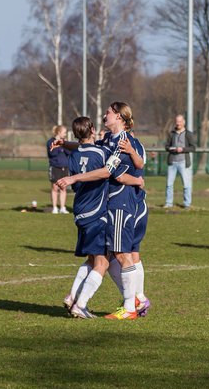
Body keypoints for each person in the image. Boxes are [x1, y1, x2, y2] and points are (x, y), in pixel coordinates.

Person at [55, 102, 150, 320]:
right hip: (112, 204)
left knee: (120, 254)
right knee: (116, 255)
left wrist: (73, 177)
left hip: (120, 203)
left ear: (118, 116)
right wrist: (65, 144)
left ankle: (130, 306)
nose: (104, 115)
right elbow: (90, 146)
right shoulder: (109, 139)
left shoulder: (123, 142)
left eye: (107, 112)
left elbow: (111, 172)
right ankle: (136, 300)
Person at [163, 114, 196, 209]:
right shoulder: (171, 133)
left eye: (180, 121)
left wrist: (183, 149)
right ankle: (168, 203)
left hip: (183, 163)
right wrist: (172, 149)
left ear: (183, 122)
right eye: (177, 121)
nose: (178, 123)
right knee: (169, 184)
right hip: (172, 162)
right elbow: (166, 147)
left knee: (186, 184)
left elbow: (193, 147)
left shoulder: (188, 134)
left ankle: (187, 204)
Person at [47, 124, 70, 214]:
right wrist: (58, 144)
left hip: (65, 168)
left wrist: (63, 144)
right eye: (64, 132)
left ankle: (62, 208)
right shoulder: (50, 142)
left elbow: (69, 152)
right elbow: (53, 153)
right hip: (55, 167)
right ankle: (54, 208)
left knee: (63, 188)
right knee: (54, 188)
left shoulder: (65, 142)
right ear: (59, 132)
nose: (65, 134)